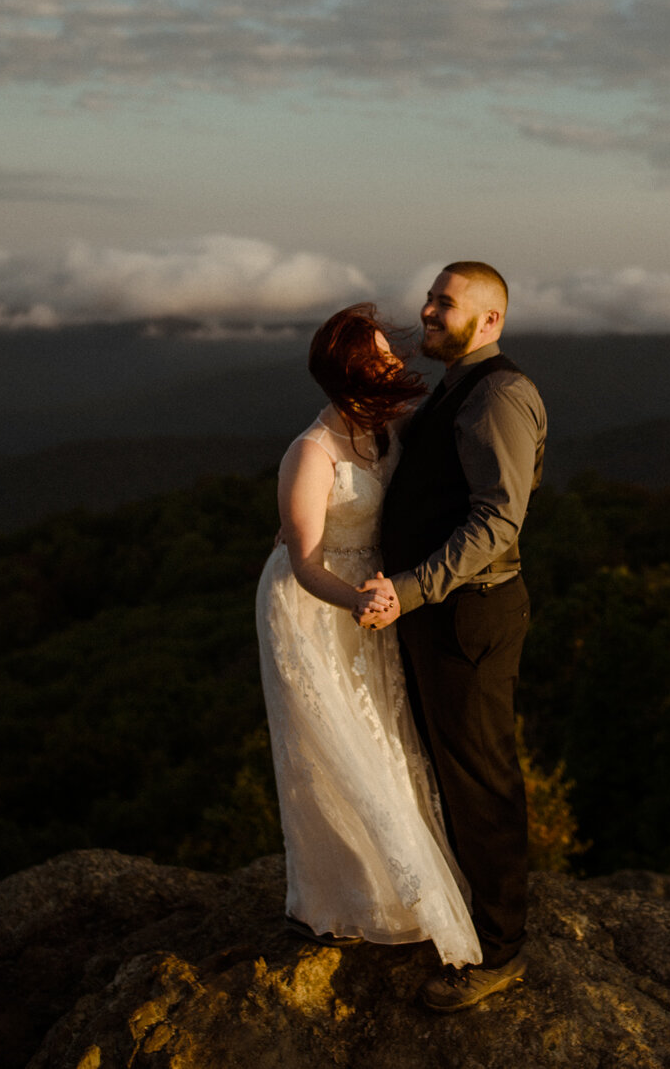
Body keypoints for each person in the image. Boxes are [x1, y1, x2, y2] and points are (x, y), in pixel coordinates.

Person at [254, 303, 480, 968]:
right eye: (379, 358)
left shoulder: (384, 428)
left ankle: (396, 888)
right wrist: (359, 600)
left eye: (390, 353)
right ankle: (330, 900)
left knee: (383, 731)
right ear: (348, 373)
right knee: (327, 743)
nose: (392, 365)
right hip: (314, 603)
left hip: (372, 597)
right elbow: (302, 562)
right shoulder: (311, 451)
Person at [357, 261, 547, 1012]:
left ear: (491, 320)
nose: (429, 310)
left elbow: (499, 522)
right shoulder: (459, 389)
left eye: (446, 302)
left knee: (480, 778)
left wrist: (408, 588)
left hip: (469, 612)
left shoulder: (500, 392)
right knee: (448, 768)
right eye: (431, 298)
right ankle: (467, 915)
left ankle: (499, 952)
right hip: (442, 613)